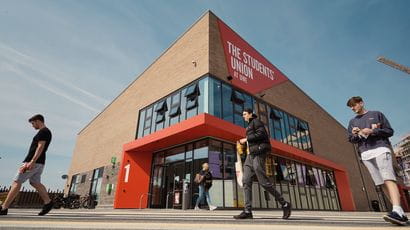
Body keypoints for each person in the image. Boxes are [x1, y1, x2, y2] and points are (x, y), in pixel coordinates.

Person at [346, 96, 408, 226]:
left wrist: (373, 131)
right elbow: (351, 139)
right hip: (365, 153)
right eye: (350, 107)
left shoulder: (377, 114)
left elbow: (389, 131)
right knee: (380, 182)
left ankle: (396, 209)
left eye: (354, 105)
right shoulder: (352, 121)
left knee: (388, 178)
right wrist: (355, 134)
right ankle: (399, 212)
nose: (352, 108)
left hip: (380, 148)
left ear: (361, 103)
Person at [234, 108, 291, 219]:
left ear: (250, 114)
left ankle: (285, 204)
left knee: (263, 182)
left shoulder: (256, 122)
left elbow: (262, 135)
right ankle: (247, 210)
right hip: (250, 156)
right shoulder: (249, 126)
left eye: (245, 114)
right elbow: (254, 140)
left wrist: (246, 139)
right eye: (243, 114)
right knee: (245, 180)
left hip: (259, 154)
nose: (243, 116)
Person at [0, 114, 54, 216]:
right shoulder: (46, 132)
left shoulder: (43, 132)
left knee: (17, 182)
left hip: (33, 162)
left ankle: (4, 207)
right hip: (40, 162)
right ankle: (48, 202)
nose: (32, 126)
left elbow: (40, 147)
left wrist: (32, 161)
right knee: (34, 182)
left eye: (33, 123)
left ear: (38, 121)